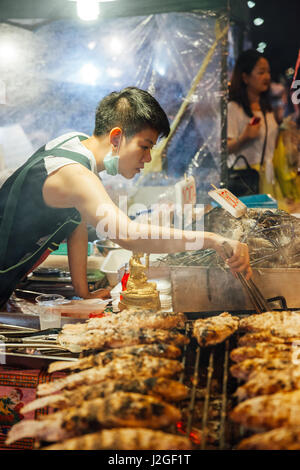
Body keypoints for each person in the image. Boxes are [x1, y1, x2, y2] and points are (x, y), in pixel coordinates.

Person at [0, 87, 252, 309]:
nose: (148, 158)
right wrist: (212, 239)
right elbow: (128, 235)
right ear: (116, 137)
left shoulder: (74, 142)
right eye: (145, 146)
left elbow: (75, 222)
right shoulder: (75, 174)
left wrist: (82, 291)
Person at [227, 49, 279, 195]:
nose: (267, 77)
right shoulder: (234, 108)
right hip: (245, 181)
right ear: (245, 77)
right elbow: (223, 149)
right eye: (261, 72)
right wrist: (244, 137)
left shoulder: (267, 109)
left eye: (268, 72)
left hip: (268, 179)